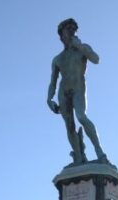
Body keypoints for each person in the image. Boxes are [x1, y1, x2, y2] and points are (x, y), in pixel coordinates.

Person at [47, 18, 108, 165]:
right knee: (70, 126)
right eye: (68, 29)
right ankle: (79, 158)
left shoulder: (82, 48)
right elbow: (53, 82)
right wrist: (49, 99)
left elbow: (96, 59)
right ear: (61, 35)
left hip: (79, 87)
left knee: (81, 116)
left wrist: (80, 46)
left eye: (73, 29)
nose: (72, 32)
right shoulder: (57, 59)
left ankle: (100, 153)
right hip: (64, 92)